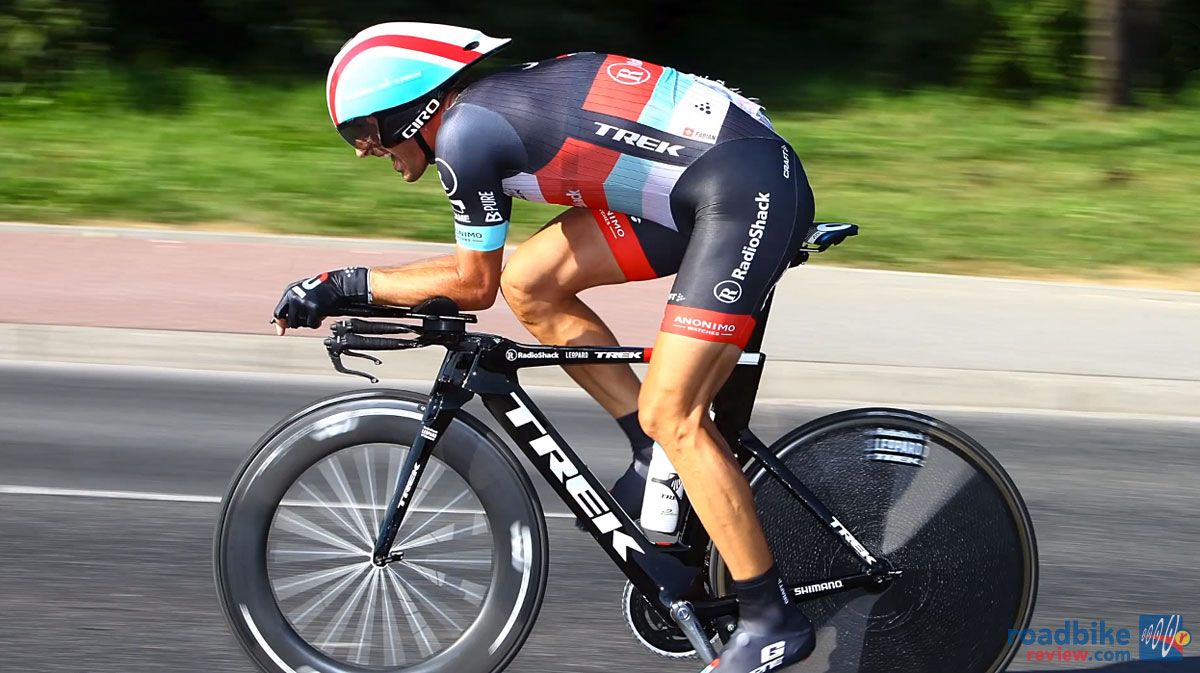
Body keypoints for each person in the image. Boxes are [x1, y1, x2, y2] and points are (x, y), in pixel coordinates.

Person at [272, 22, 816, 673]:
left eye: (361, 130)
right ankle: (653, 456)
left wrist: (344, 285)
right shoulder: (479, 115)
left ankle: (771, 620)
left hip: (744, 192)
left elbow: (470, 286)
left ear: (406, 109)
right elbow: (492, 281)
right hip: (693, 187)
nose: (363, 149)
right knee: (531, 283)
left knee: (674, 413)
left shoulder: (466, 135)